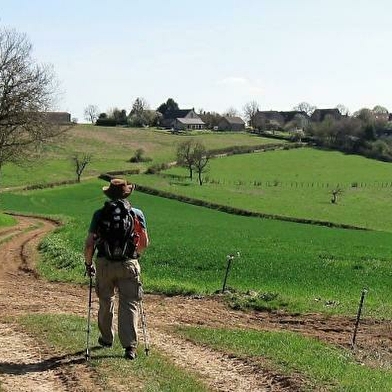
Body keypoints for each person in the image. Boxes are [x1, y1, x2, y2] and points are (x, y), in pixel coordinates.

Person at [84, 178, 149, 360]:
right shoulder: (136, 214)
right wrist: (135, 256)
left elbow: (89, 244)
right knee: (129, 303)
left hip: (104, 264)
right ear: (126, 193)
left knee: (106, 300)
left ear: (109, 194)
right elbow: (144, 242)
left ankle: (106, 338)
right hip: (129, 264)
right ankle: (129, 347)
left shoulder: (99, 214)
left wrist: (89, 264)